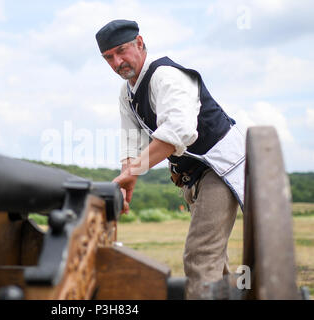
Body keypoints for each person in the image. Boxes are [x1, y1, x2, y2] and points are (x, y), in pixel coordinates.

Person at [95, 19, 246, 299]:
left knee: (200, 257)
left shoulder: (166, 76)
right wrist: (129, 179)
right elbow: (131, 143)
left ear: (139, 43)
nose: (117, 62)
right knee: (215, 262)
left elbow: (179, 130)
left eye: (121, 51)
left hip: (220, 168)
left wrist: (134, 170)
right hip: (191, 177)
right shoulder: (127, 94)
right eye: (108, 57)